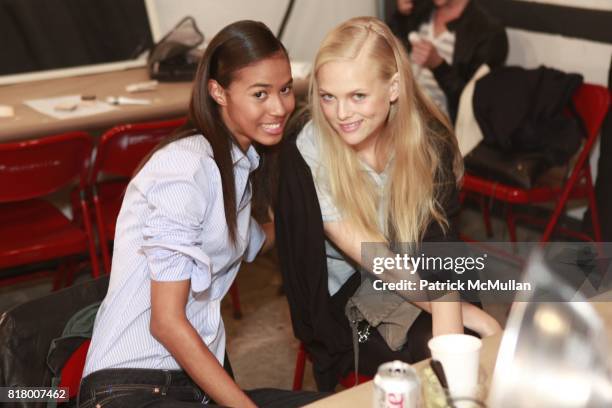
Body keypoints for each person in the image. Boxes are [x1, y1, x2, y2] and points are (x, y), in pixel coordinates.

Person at [79, 20, 324, 408]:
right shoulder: (186, 167)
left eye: (285, 89)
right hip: (130, 389)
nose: (280, 107)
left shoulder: (241, 165)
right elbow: (166, 322)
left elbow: (254, 239)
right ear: (218, 92)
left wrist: (326, 216)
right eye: (260, 93)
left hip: (191, 386)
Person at [276, 16, 501, 390]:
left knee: (457, 351)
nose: (341, 114)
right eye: (329, 97)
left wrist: (463, 333)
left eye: (357, 96)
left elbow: (438, 254)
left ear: (394, 87)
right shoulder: (311, 145)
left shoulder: (429, 141)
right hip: (348, 291)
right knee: (430, 350)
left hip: (415, 267)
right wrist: (474, 318)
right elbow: (376, 259)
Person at [388, 0, 508, 121]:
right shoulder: (420, 9)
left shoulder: (489, 33)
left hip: (439, 125)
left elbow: (477, 103)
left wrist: (439, 66)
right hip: (399, 111)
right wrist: (400, 17)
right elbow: (388, 53)